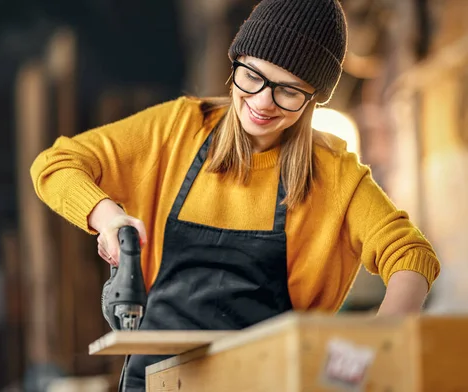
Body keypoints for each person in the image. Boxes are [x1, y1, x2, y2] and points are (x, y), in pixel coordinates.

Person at [30, 0, 441, 390]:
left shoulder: (333, 173)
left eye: (288, 90)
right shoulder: (175, 131)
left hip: (266, 383)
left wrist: (376, 350)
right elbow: (55, 164)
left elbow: (411, 254)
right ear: (235, 65)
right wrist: (109, 218)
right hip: (158, 382)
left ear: (313, 97)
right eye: (253, 76)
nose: (263, 102)